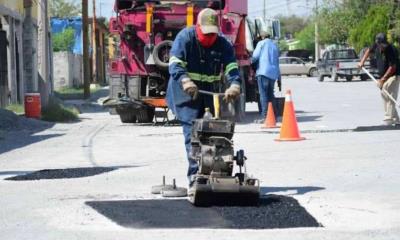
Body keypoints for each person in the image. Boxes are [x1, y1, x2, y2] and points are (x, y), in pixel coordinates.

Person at [166, 8, 241, 184]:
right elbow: (175, 64)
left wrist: (235, 84)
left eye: (213, 34)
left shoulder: (223, 44)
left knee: (214, 132)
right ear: (197, 27)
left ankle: (215, 171)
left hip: (208, 95)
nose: (209, 38)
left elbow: (231, 67)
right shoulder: (185, 38)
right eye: (205, 34)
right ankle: (195, 177)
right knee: (193, 135)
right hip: (185, 95)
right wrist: (185, 81)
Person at [359, 33, 400, 126]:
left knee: (389, 94)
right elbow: (368, 51)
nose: (383, 46)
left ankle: (388, 118)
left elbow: (392, 67)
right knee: (384, 94)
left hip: (394, 75)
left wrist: (382, 80)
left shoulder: (391, 50)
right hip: (383, 75)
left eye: (384, 44)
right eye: (381, 45)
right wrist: (362, 62)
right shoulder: (375, 45)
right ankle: (396, 119)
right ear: (377, 43)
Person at [251, 31, 281, 121]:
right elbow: (277, 62)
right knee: (270, 94)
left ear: (262, 37)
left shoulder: (261, 43)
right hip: (273, 73)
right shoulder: (275, 45)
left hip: (263, 72)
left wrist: (249, 61)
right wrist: (279, 78)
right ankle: (274, 115)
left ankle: (265, 116)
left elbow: (255, 57)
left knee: (263, 95)